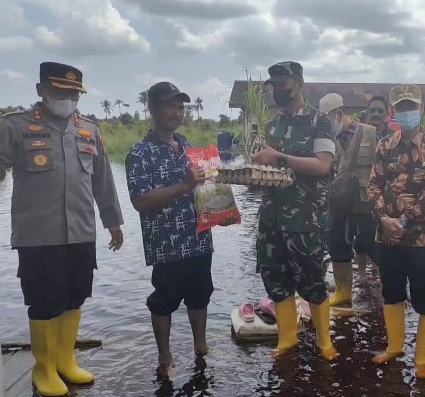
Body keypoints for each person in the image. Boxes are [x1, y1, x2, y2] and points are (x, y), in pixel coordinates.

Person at [0, 62, 124, 396]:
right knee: (44, 300)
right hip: (38, 235)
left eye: (73, 93)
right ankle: (43, 368)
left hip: (81, 232)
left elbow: (102, 180)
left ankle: (65, 360)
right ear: (41, 90)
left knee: (74, 296)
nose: (67, 98)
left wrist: (113, 221)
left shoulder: (88, 130)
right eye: (59, 91)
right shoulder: (15, 126)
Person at [125, 82, 237, 377]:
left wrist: (221, 214)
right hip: (166, 244)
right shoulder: (140, 153)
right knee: (164, 300)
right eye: (169, 106)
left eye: (180, 106)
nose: (176, 112)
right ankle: (165, 357)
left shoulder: (190, 148)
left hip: (199, 240)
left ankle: (201, 347)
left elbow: (207, 192)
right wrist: (184, 185)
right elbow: (140, 201)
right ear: (152, 109)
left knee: (200, 294)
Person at [252, 61, 338, 360]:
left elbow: (323, 165)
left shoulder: (320, 121)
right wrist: (255, 171)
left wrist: (279, 157)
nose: (278, 91)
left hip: (305, 217)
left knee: (312, 280)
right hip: (272, 215)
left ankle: (325, 342)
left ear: (299, 84)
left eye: (283, 86)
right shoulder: (274, 123)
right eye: (274, 86)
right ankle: (287, 338)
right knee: (274, 276)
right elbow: (269, 165)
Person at [367, 84, 425, 379]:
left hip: (422, 238)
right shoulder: (384, 146)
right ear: (393, 113)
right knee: (391, 293)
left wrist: (400, 223)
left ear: (422, 109)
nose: (406, 113)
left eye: (410, 107)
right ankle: (395, 347)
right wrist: (383, 220)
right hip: (387, 236)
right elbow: (374, 185)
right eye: (400, 108)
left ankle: (422, 358)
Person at [319, 93, 378, 305]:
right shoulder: (324, 140)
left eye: (327, 119)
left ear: (340, 114)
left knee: (375, 247)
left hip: (365, 203)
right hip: (337, 204)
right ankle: (343, 292)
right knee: (336, 245)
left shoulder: (370, 133)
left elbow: (383, 169)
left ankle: (390, 292)